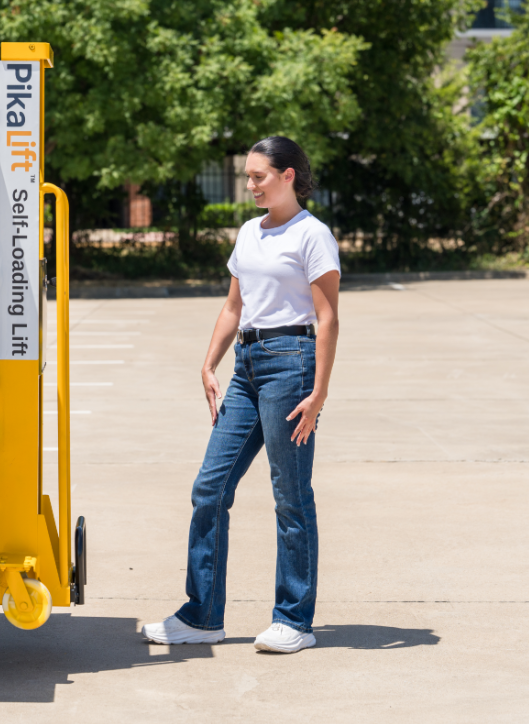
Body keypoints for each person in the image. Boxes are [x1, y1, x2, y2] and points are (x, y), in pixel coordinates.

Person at [141, 136, 341, 653]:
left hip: (291, 366)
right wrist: (209, 362)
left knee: (290, 496)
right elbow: (234, 306)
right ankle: (202, 616)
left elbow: (327, 317)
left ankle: (294, 620)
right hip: (247, 368)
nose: (250, 185)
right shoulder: (250, 232)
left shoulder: (312, 235)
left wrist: (318, 391)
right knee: (209, 488)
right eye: (248, 176)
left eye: (259, 176)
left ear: (289, 175)